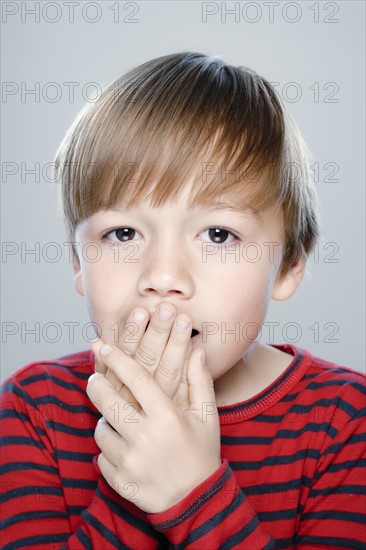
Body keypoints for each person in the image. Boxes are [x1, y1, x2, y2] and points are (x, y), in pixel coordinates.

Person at [1, 52, 365, 549]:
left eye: (218, 234)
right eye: (122, 232)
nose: (164, 277)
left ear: (289, 263)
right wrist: (133, 482)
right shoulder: (34, 412)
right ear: (76, 263)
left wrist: (192, 494)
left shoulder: (346, 423)